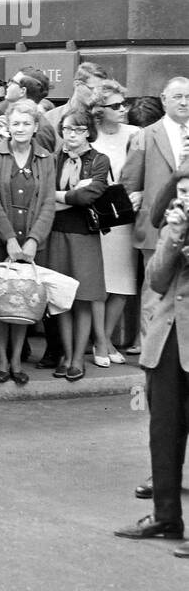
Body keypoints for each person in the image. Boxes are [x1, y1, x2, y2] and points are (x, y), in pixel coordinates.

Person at [114, 168, 189, 554]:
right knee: (163, 433)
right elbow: (157, 281)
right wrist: (174, 235)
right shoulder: (174, 228)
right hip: (168, 340)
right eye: (181, 192)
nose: (185, 200)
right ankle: (165, 517)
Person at [0, 99, 56, 384]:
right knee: (0, 300)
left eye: (26, 123)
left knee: (23, 299)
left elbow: (48, 202)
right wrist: (9, 239)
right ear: (8, 127)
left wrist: (34, 239)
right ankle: (0, 360)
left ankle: (16, 362)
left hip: (31, 243)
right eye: (16, 124)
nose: (21, 128)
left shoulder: (47, 159)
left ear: (36, 127)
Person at [119, 76, 189, 346]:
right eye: (177, 97)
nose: (184, 102)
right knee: (153, 292)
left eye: (188, 97)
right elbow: (130, 181)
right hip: (156, 228)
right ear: (163, 100)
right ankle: (151, 356)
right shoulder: (146, 136)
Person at [45, 107, 111, 380]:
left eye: (79, 129)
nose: (72, 135)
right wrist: (71, 195)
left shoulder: (99, 159)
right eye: (68, 129)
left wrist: (59, 197)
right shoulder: (51, 159)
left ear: (89, 132)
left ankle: (77, 358)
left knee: (84, 299)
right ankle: (65, 353)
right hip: (57, 233)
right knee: (61, 299)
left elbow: (90, 196)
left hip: (85, 235)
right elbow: (43, 196)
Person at [92, 80, 140, 363]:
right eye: (115, 106)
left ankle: (107, 338)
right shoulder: (90, 136)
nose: (123, 110)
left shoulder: (136, 134)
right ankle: (101, 342)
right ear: (99, 110)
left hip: (126, 218)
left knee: (123, 283)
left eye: (124, 104)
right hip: (99, 220)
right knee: (99, 283)